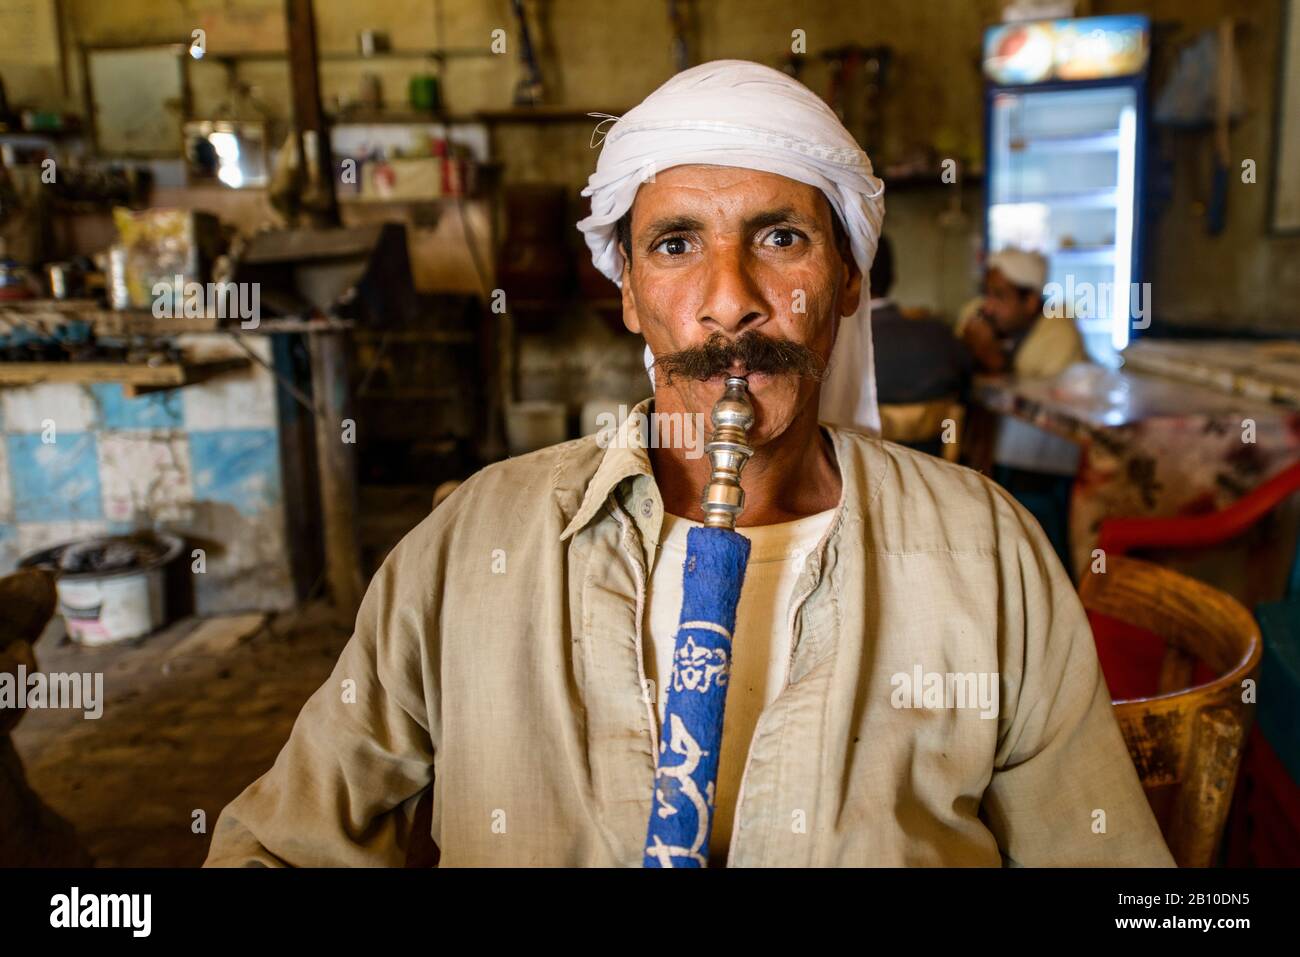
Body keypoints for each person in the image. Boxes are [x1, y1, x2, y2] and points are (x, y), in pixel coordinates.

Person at [204, 61, 1171, 868]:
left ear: (844, 283)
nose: (728, 301)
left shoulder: (983, 550)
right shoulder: (474, 543)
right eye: (676, 244)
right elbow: (276, 846)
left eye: (780, 237)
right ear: (629, 294)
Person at [960, 249, 1089, 572]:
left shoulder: (1059, 332)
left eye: (1000, 296)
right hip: (993, 457)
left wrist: (988, 356)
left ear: (1030, 302)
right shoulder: (979, 317)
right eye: (987, 293)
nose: (988, 305)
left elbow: (1029, 400)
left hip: (1044, 466)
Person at [869, 234, 971, 406]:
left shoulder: (836, 347)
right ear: (893, 278)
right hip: (948, 433)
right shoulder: (941, 335)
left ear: (849, 280)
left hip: (859, 433)